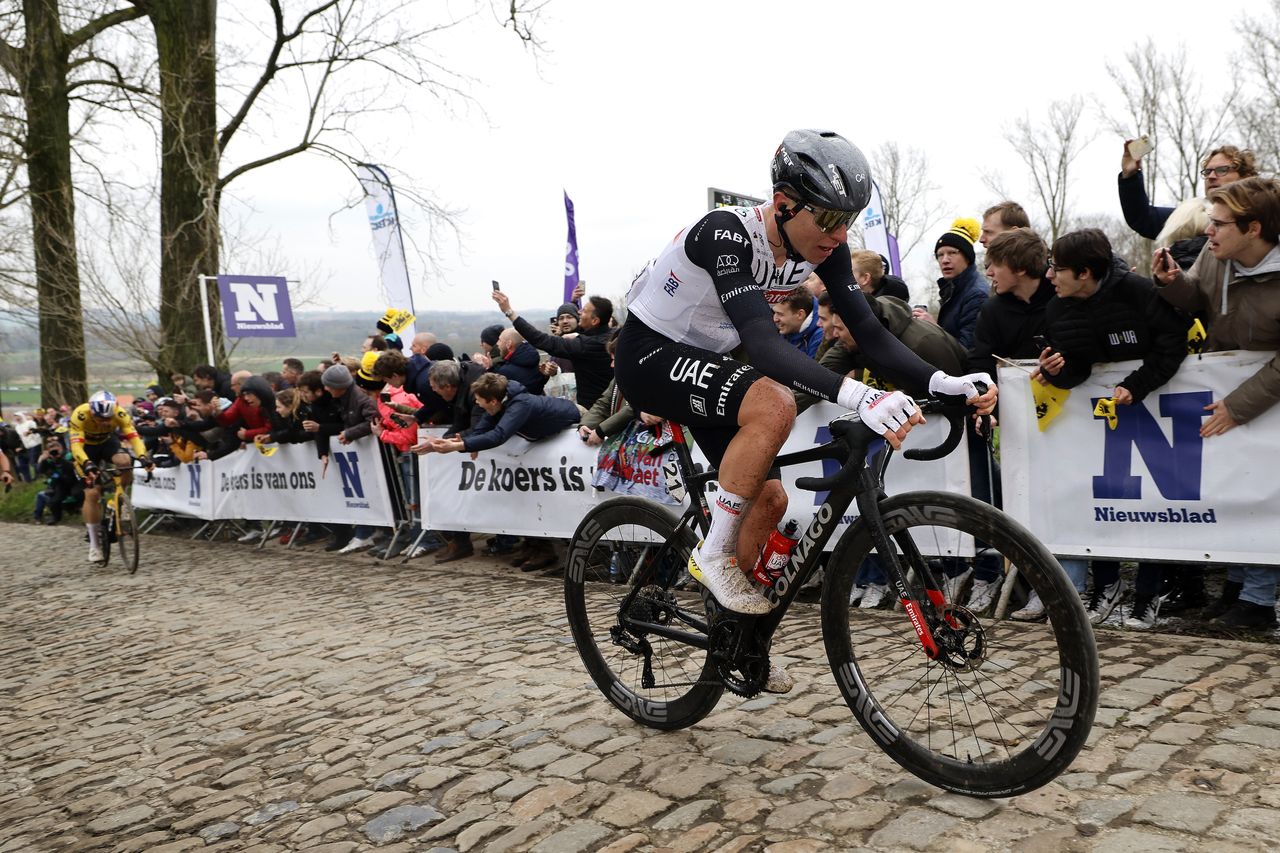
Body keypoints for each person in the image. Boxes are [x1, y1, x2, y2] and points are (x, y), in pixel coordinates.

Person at [613, 129, 995, 695]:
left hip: (704, 358)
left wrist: (943, 381)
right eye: (828, 220)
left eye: (849, 221)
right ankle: (711, 555)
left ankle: (733, 640)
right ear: (785, 203)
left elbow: (866, 329)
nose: (839, 235)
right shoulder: (727, 234)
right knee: (775, 401)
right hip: (648, 355)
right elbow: (766, 349)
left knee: (768, 499)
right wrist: (862, 396)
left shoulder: (824, 244)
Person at [1034, 227, 1192, 628]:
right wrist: (1058, 372)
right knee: (1101, 500)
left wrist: (1136, 387)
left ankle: (1148, 594)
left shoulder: (1139, 293)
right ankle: (1106, 587)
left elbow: (1173, 344)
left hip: (1155, 409)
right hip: (1102, 420)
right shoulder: (1057, 308)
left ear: (1085, 272)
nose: (1049, 276)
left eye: (1057, 268)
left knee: (1153, 505)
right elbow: (1078, 366)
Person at [1152, 175, 1280, 629]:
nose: (1208, 231)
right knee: (1240, 487)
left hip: (1259, 396)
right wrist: (1172, 284)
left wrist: (1240, 404)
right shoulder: (1216, 253)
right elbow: (1199, 295)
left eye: (1219, 224)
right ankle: (1237, 590)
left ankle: (1260, 601)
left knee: (1268, 493)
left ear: (1253, 229)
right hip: (1231, 389)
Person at [1120, 142, 1258, 270]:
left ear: (1245, 177)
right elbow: (1142, 217)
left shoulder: (1265, 214)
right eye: (1207, 172)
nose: (1211, 176)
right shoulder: (1191, 216)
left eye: (1221, 170)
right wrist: (1130, 175)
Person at [69, 390, 153, 563]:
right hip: (85, 449)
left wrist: (144, 457)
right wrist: (87, 464)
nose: (104, 422)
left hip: (107, 442)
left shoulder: (120, 414)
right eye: (100, 419)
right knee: (92, 494)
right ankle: (94, 545)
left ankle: (120, 499)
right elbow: (76, 447)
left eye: (108, 419)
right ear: (92, 411)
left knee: (125, 460)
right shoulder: (80, 414)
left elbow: (134, 438)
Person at [492, 291, 614, 408]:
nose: (580, 312)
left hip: (594, 410)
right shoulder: (611, 336)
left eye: (584, 311)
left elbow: (541, 340)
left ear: (595, 320)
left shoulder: (587, 345)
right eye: (561, 318)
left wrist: (509, 312)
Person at [915, 218, 988, 351]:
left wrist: (934, 328)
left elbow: (967, 350)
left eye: (952, 253)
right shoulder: (953, 289)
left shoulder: (977, 295)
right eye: (940, 255)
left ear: (967, 256)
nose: (945, 260)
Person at [772, 290, 824, 357]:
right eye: (774, 312)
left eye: (780, 314)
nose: (775, 319)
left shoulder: (820, 336)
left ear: (800, 314)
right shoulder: (788, 327)